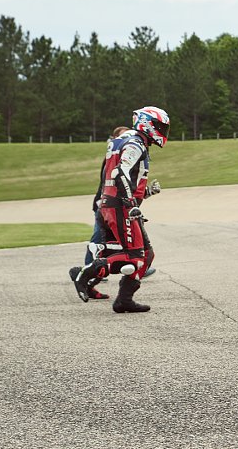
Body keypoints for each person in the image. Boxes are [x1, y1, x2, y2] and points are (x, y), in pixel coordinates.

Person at [72, 106, 170, 313]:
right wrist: (129, 204)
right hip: (121, 205)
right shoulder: (135, 143)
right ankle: (87, 272)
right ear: (147, 123)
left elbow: (122, 176)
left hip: (115, 203)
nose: (162, 131)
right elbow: (120, 173)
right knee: (135, 257)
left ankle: (124, 299)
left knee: (147, 255)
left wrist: (143, 195)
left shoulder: (127, 139)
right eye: (160, 126)